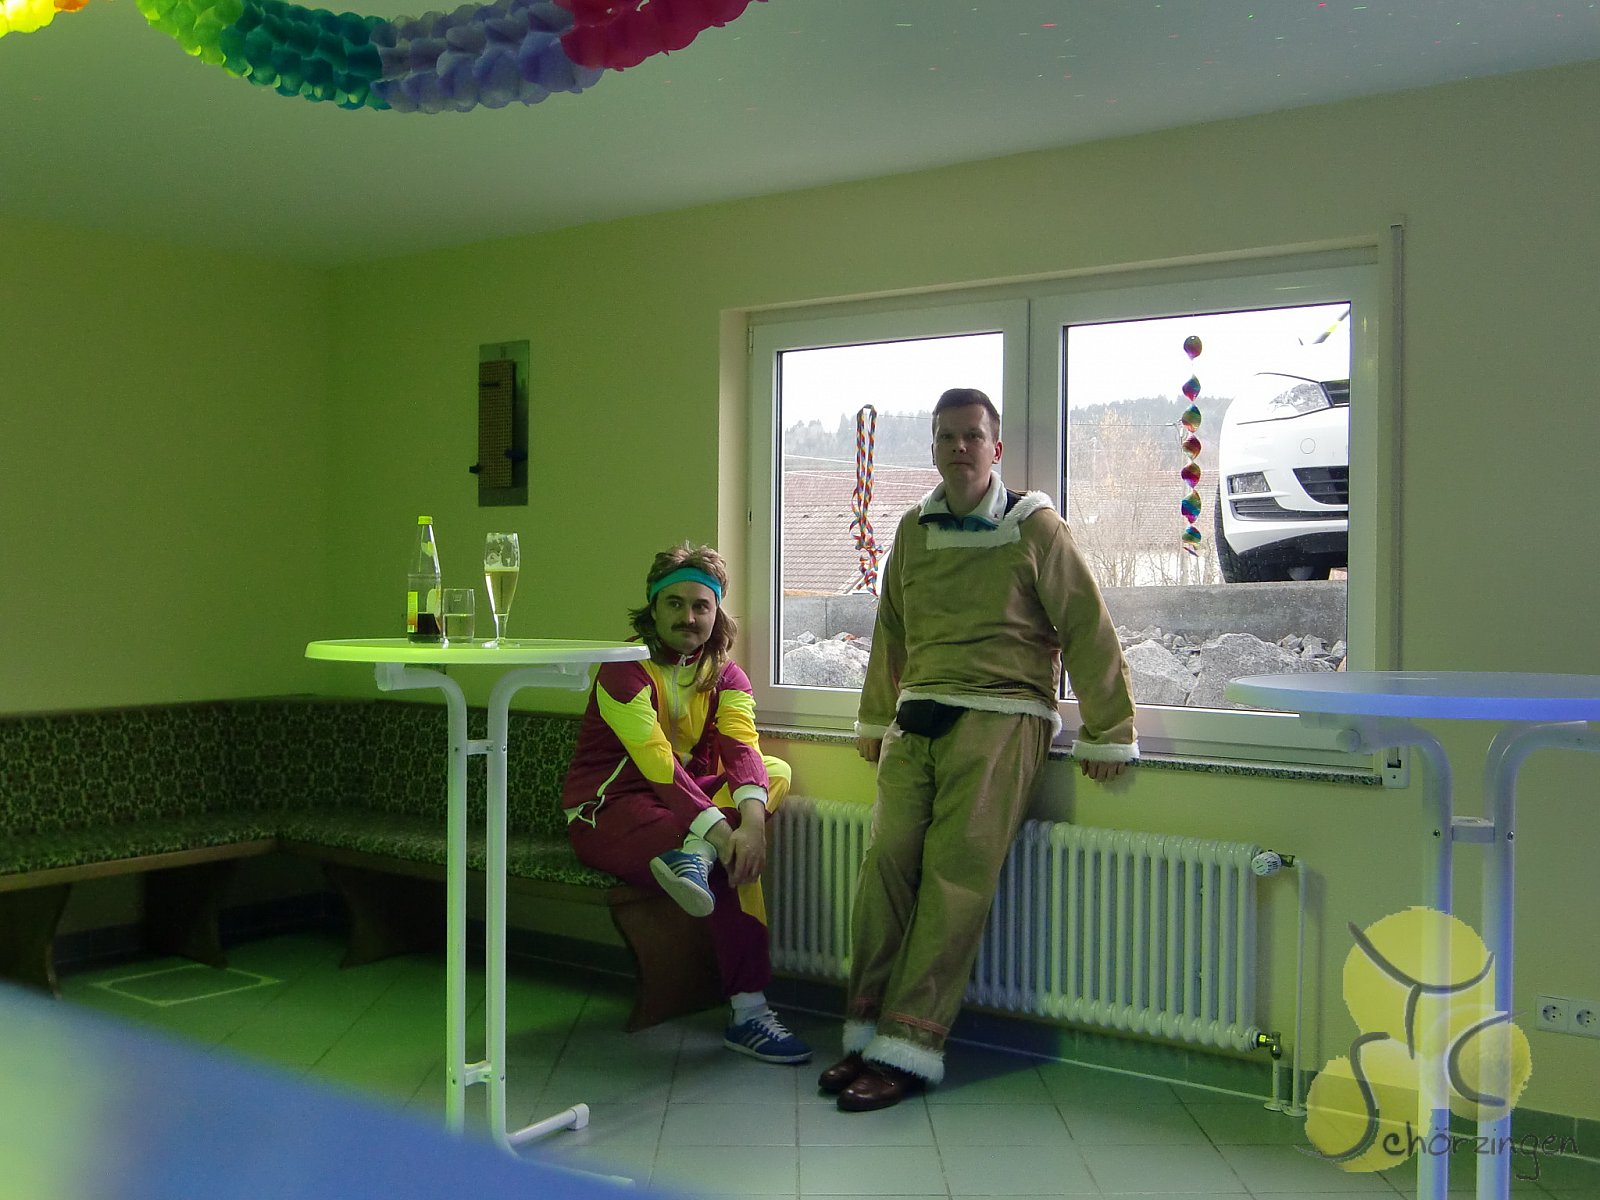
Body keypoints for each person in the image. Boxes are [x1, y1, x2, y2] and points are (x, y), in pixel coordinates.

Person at [819, 387, 1138, 1112]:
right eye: (946, 436)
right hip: (918, 716)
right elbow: (891, 630)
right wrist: (875, 720)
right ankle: (866, 1028)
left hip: (1002, 716)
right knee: (885, 867)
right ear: (933, 448)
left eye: (972, 435)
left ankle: (909, 1045)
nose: (959, 447)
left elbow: (1087, 626)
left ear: (995, 447)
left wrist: (1109, 730)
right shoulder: (913, 529)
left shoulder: (1035, 527)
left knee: (955, 879)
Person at [562, 542, 811, 1065]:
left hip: (686, 807)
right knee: (727, 856)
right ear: (653, 608)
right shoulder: (623, 668)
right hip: (610, 811)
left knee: (774, 771)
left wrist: (752, 828)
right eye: (674, 603)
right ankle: (749, 1011)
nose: (688, 617)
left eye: (701, 605)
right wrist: (725, 835)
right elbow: (657, 763)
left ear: (716, 612)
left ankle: (694, 857)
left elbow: (742, 749)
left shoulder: (727, 675)